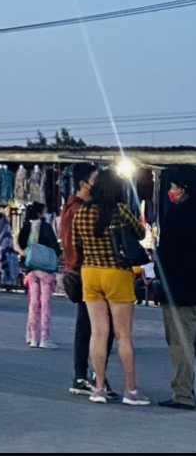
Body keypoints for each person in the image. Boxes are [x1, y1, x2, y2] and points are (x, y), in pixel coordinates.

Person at [73, 167, 149, 405]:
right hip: (116, 273)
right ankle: (132, 391)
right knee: (123, 336)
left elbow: (77, 243)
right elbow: (139, 232)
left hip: (90, 273)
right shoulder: (121, 211)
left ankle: (98, 388)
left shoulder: (81, 213)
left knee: (98, 333)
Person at [61, 163, 117, 397]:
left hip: (84, 273)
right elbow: (74, 246)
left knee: (93, 327)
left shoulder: (73, 207)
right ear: (84, 183)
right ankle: (84, 377)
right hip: (87, 273)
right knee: (92, 328)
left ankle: (91, 376)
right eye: (95, 179)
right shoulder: (78, 209)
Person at [156, 165, 196, 410]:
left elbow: (166, 254)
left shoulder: (177, 215)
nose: (171, 191)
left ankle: (183, 394)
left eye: (172, 187)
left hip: (179, 292)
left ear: (183, 189)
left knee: (181, 344)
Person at [18, 202, 61, 349]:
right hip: (45, 269)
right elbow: (54, 245)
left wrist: (28, 253)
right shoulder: (46, 227)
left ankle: (33, 337)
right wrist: (58, 253)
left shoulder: (26, 227)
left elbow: (20, 243)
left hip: (31, 268)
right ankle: (44, 338)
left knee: (33, 303)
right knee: (45, 303)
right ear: (40, 213)